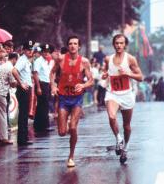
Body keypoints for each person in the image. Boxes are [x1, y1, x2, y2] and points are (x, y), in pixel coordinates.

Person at [50, 36, 93, 167]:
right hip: (63, 97)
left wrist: (83, 85)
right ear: (68, 46)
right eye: (70, 44)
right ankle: (66, 125)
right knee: (62, 132)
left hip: (77, 99)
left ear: (79, 46)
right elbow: (52, 73)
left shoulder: (84, 62)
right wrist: (53, 85)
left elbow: (91, 80)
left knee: (73, 127)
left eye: (75, 44)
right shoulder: (61, 59)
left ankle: (71, 156)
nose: (73, 46)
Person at [102, 34, 143, 164]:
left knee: (127, 126)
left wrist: (128, 73)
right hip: (112, 93)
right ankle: (118, 139)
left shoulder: (130, 59)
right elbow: (105, 72)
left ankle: (125, 148)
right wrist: (104, 75)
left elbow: (140, 77)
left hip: (126, 94)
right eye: (117, 43)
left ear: (125, 45)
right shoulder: (108, 59)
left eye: (121, 43)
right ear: (113, 44)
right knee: (112, 116)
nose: (119, 45)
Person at [12, 40, 34, 146]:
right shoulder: (22, 60)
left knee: (24, 114)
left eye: (31, 49)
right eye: (28, 49)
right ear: (23, 50)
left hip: (26, 88)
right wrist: (20, 83)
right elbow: (14, 70)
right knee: (23, 114)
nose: (30, 51)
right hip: (23, 89)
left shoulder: (26, 60)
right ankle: (22, 139)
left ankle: (24, 137)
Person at [33, 43, 54, 132]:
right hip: (41, 84)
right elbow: (35, 73)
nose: (46, 53)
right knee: (43, 105)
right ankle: (43, 125)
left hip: (46, 84)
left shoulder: (45, 62)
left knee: (44, 105)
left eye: (48, 52)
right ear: (42, 52)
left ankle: (40, 125)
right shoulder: (38, 61)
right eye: (44, 52)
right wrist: (38, 87)